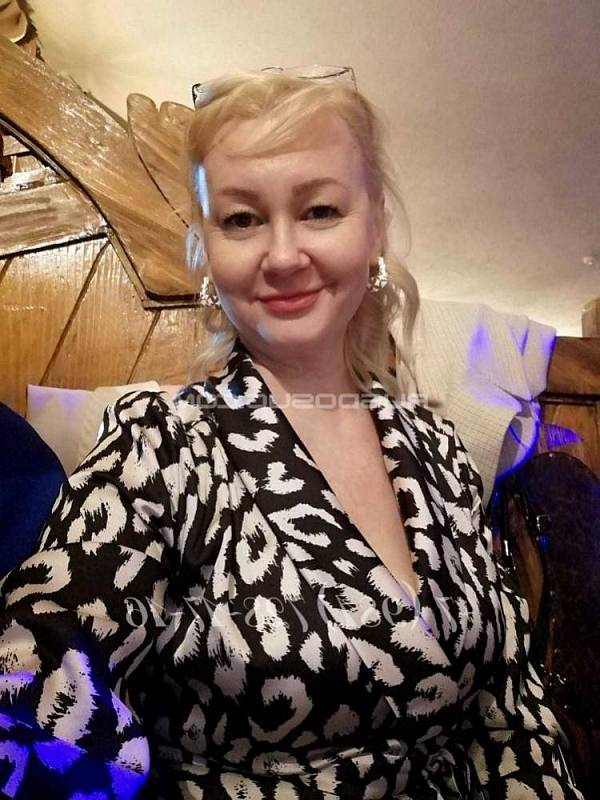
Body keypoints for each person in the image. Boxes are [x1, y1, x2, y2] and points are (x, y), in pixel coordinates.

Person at [0, 69, 584, 800]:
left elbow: (510, 709)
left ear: (375, 226)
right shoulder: (162, 444)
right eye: (242, 220)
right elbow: (31, 687)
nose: (281, 255)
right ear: (206, 248)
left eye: (319, 210)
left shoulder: (437, 449)